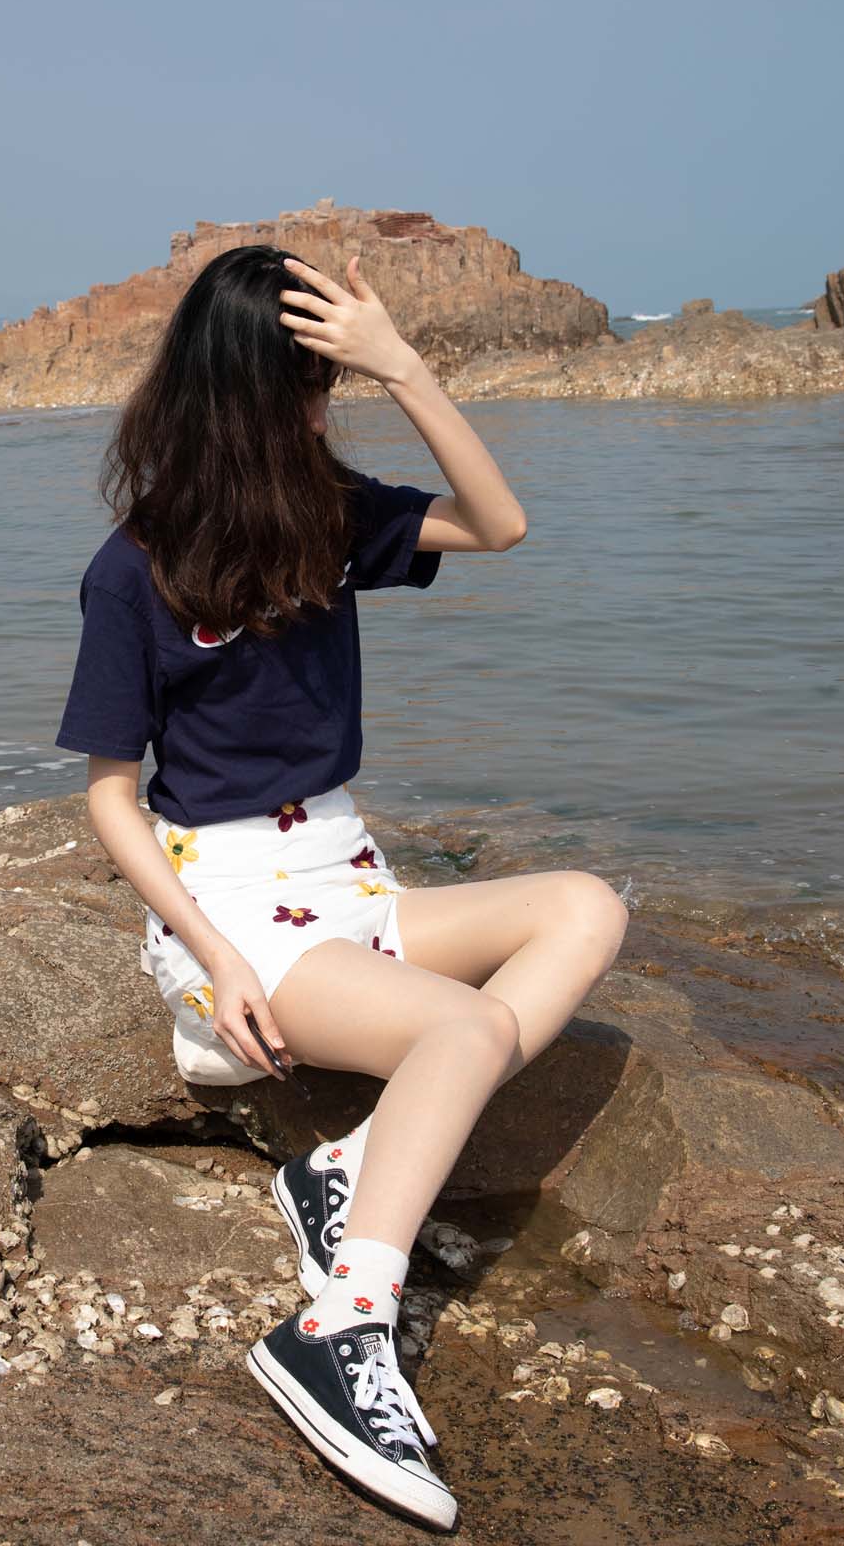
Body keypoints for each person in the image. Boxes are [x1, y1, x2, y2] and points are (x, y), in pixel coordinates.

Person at [52, 240, 628, 1531]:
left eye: (335, 381)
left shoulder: (329, 514)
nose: (327, 406)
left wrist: (407, 367)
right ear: (254, 391)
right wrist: (215, 960)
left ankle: (348, 1170)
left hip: (348, 878)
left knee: (586, 906)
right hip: (235, 911)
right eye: (316, 383)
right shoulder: (133, 569)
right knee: (465, 1030)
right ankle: (342, 1324)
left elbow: (500, 525)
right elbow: (110, 794)